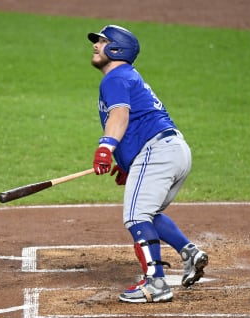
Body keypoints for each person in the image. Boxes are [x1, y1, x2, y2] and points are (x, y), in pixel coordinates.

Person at [88, 25, 209, 303]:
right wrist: (127, 162)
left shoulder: (115, 78)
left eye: (103, 41)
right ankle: (189, 253)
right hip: (174, 150)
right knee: (148, 213)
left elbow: (120, 116)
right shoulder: (128, 77)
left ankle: (156, 283)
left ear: (117, 49)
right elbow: (140, 121)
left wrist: (106, 149)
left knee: (136, 216)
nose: (95, 45)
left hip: (157, 152)